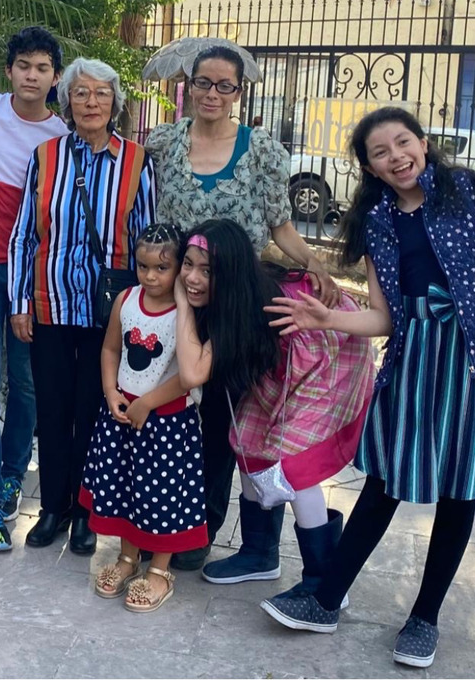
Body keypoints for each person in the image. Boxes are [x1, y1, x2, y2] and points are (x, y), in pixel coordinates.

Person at [261, 105, 475, 669]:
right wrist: (329, 319)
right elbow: (385, 317)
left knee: (458, 489)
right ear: (370, 167)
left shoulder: (468, 190)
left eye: (402, 142)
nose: (396, 157)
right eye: (380, 152)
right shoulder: (378, 221)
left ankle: (424, 619)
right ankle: (325, 599)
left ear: (423, 142)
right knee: (386, 479)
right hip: (415, 358)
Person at [144, 43, 340, 571]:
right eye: (203, 82)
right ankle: (164, 520)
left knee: (225, 421)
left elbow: (280, 226)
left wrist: (315, 262)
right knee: (170, 413)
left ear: (238, 91)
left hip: (236, 307)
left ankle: (209, 532)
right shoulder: (163, 144)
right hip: (179, 295)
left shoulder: (262, 151)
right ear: (188, 85)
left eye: (224, 85)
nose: (212, 93)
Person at [173, 218, 373, 600]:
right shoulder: (232, 297)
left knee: (294, 464)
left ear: (229, 273)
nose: (193, 278)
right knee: (248, 442)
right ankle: (259, 553)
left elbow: (192, 373)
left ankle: (325, 585)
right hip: (282, 368)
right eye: (188, 264)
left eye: (207, 270)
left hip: (326, 358)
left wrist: (182, 302)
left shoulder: (243, 308)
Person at [9, 57, 156, 556]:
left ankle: (87, 514)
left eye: (101, 93)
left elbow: (147, 242)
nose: (92, 102)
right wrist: (20, 302)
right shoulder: (46, 155)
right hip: (49, 305)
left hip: (108, 314)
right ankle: (53, 507)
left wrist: (145, 310)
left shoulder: (137, 161)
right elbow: (24, 235)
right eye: (81, 93)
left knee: (94, 411)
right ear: (67, 102)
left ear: (115, 102)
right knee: (51, 410)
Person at [0, 26, 68, 551]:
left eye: (42, 68)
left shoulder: (61, 137)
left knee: (25, 384)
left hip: (32, 275)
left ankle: (10, 477)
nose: (32, 75)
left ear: (55, 77)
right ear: (9, 71)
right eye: (24, 65)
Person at [80, 223, 204, 611]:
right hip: (122, 417)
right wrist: (111, 392)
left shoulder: (185, 313)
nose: (150, 276)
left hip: (167, 422)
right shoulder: (126, 299)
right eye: (143, 266)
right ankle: (127, 556)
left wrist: (148, 402)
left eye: (162, 268)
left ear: (179, 267)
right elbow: (110, 349)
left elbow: (188, 375)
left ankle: (160, 570)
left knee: (162, 495)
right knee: (125, 487)